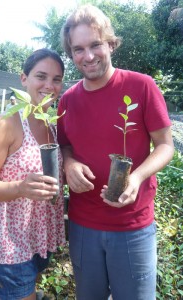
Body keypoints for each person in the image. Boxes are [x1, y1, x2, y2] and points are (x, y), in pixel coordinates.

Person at [57, 4, 174, 300]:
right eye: (78, 49)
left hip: (132, 225)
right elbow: (64, 145)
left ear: (110, 42)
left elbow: (165, 146)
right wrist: (69, 163)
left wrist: (136, 178)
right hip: (84, 225)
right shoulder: (68, 100)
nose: (89, 55)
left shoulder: (141, 87)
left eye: (95, 44)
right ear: (71, 53)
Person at [0, 48, 66, 300]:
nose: (49, 85)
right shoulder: (4, 125)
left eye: (56, 79)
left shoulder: (49, 123)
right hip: (10, 246)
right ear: (23, 78)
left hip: (39, 240)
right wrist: (19, 188)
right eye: (41, 76)